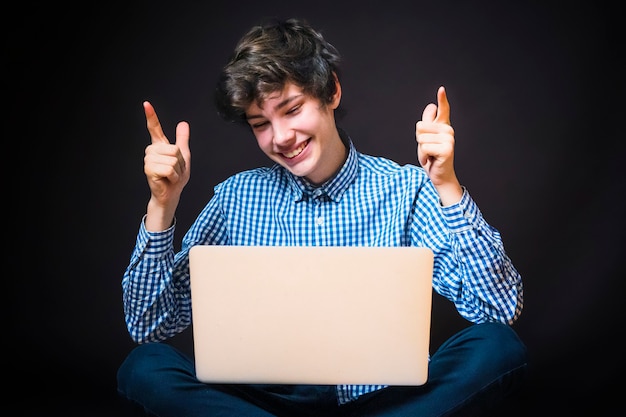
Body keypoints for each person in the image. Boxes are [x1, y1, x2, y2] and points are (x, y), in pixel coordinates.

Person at [117, 17, 528, 417]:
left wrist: (447, 185)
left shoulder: (405, 189)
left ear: (330, 91)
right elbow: (149, 327)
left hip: (382, 402)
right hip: (261, 403)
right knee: (145, 368)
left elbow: (498, 310)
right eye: (261, 124)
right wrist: (162, 206)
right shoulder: (235, 197)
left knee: (497, 347)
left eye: (292, 110)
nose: (280, 138)